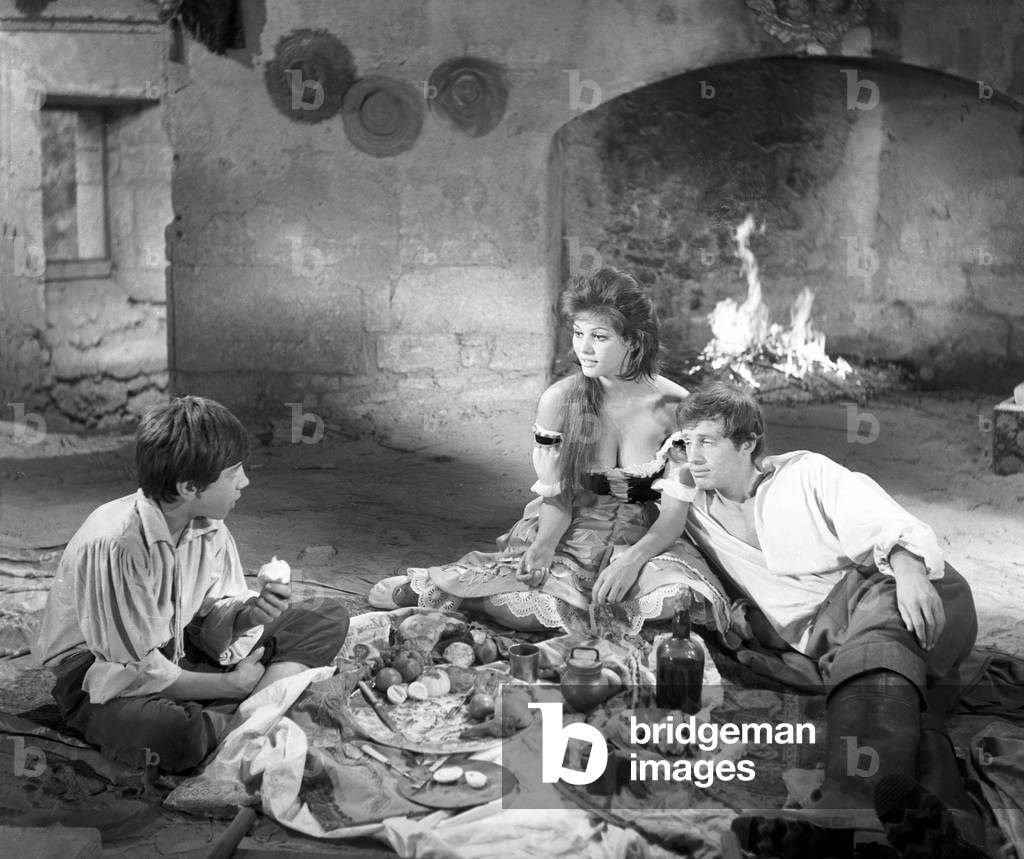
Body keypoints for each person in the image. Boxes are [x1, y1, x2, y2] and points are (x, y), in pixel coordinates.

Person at [673, 382, 985, 856]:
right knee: (910, 711)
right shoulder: (690, 510)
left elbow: (881, 518)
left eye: (707, 441)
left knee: (876, 650)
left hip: (891, 589)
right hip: (837, 636)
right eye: (686, 441)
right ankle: (951, 836)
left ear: (748, 442)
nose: (692, 456)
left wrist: (908, 569)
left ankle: (846, 811)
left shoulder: (804, 474)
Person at [370, 266, 726, 634]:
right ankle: (444, 590)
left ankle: (600, 607)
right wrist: (543, 546)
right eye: (578, 333)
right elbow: (558, 497)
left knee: (680, 598)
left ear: (634, 340)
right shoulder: (558, 401)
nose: (584, 349)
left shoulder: (676, 407)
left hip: (644, 535)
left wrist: (631, 561)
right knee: (526, 603)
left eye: (600, 337)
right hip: (572, 526)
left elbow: (672, 516)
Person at [35, 395, 350, 774]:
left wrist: (249, 615)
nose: (245, 482)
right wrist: (229, 686)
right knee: (175, 736)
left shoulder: (208, 524)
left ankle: (239, 710)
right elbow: (134, 670)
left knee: (326, 616)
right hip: (100, 671)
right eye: (234, 473)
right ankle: (254, 703)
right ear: (188, 486)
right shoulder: (117, 547)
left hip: (177, 641)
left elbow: (212, 610)